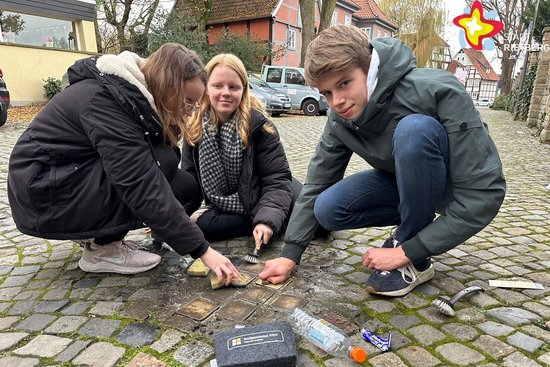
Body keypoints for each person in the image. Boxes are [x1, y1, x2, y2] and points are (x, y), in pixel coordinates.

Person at [259, 25, 506, 296]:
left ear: (368, 67)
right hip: (403, 183)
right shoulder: (339, 119)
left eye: (344, 83)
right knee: (327, 208)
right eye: (327, 93)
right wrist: (291, 253)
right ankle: (414, 219)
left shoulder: (437, 90)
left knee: (414, 129)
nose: (338, 101)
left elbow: (485, 195)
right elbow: (317, 183)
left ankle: (414, 254)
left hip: (449, 187)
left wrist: (406, 250)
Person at [8, 43, 241, 283]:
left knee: (183, 182)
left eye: (194, 104)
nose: (191, 112)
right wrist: (203, 250)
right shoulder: (105, 100)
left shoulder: (134, 96)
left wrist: (171, 226)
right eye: (187, 102)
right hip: (43, 192)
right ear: (167, 86)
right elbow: (139, 182)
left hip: (67, 177)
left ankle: (100, 236)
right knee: (158, 162)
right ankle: (101, 251)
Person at [181, 53, 298, 251]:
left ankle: (272, 221)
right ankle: (270, 221)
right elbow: (190, 182)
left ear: (243, 90)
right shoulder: (194, 128)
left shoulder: (260, 126)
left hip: (267, 193)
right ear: (206, 89)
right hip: (232, 204)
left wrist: (266, 221)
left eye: (233, 87)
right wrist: (173, 218)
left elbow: (276, 179)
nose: (225, 92)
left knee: (319, 222)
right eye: (217, 85)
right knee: (200, 227)